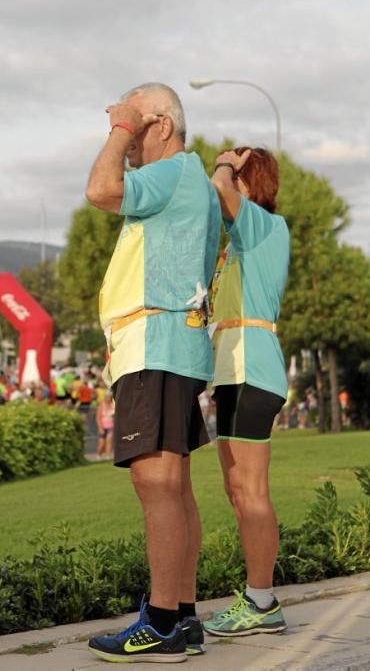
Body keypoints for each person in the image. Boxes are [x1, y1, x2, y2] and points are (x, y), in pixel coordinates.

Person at [85, 82, 221, 664]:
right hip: (171, 344)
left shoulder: (172, 173)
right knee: (175, 484)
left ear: (161, 125)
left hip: (156, 343)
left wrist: (118, 127)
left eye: (137, 127)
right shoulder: (191, 182)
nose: (129, 138)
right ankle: (183, 616)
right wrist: (127, 124)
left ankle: (163, 621)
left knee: (157, 483)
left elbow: (100, 189)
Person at [203, 147, 290, 638]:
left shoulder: (262, 225)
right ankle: (255, 596)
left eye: (238, 173)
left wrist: (223, 162)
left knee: (252, 491)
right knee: (237, 491)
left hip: (253, 368)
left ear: (249, 181)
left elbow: (219, 190)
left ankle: (262, 602)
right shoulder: (240, 239)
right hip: (230, 371)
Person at [95, 389, 114, 460]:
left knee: (109, 440)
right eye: (107, 397)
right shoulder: (101, 405)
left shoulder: (113, 405)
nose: (108, 398)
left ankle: (108, 455)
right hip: (103, 426)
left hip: (111, 426)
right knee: (101, 443)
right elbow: (98, 417)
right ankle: (98, 454)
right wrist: (100, 428)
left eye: (109, 397)